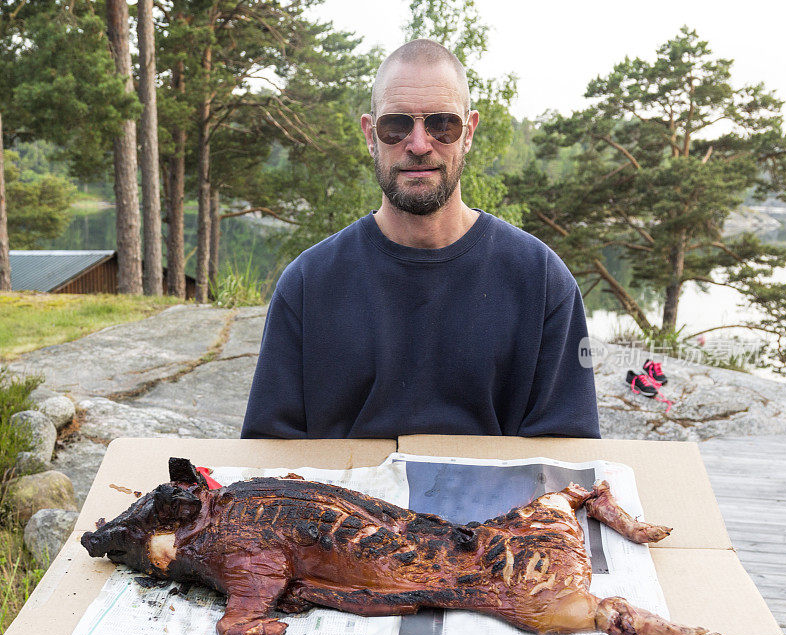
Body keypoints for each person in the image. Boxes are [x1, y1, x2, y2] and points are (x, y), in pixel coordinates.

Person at [241, 39, 599, 440]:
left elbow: (568, 459)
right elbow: (266, 460)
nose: (418, 144)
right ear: (369, 134)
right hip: (339, 504)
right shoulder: (308, 284)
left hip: (498, 505)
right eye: (395, 125)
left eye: (442, 124)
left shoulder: (542, 281)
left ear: (469, 132)